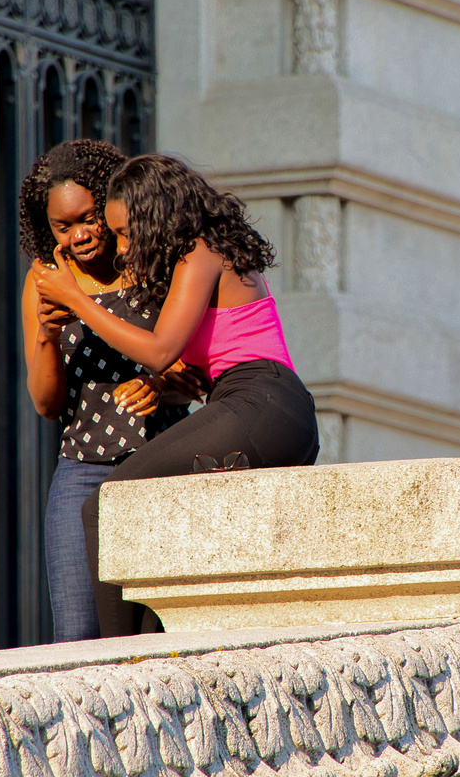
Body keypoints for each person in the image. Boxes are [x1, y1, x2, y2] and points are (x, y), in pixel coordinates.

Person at [32, 154, 320, 633]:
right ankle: (142, 656)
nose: (121, 249)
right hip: (270, 411)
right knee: (154, 602)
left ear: (155, 217)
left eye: (126, 233)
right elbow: (188, 368)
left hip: (261, 401)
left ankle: (114, 665)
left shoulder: (199, 250)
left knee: (106, 504)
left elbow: (161, 349)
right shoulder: (204, 255)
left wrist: (77, 300)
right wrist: (159, 387)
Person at [18, 140, 199, 642]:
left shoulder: (146, 261)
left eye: (89, 217)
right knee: (78, 635)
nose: (81, 235)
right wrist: (46, 334)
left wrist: (160, 387)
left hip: (161, 463)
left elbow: (194, 374)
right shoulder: (43, 283)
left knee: (160, 631)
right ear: (48, 229)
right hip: (82, 469)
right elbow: (47, 404)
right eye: (64, 226)